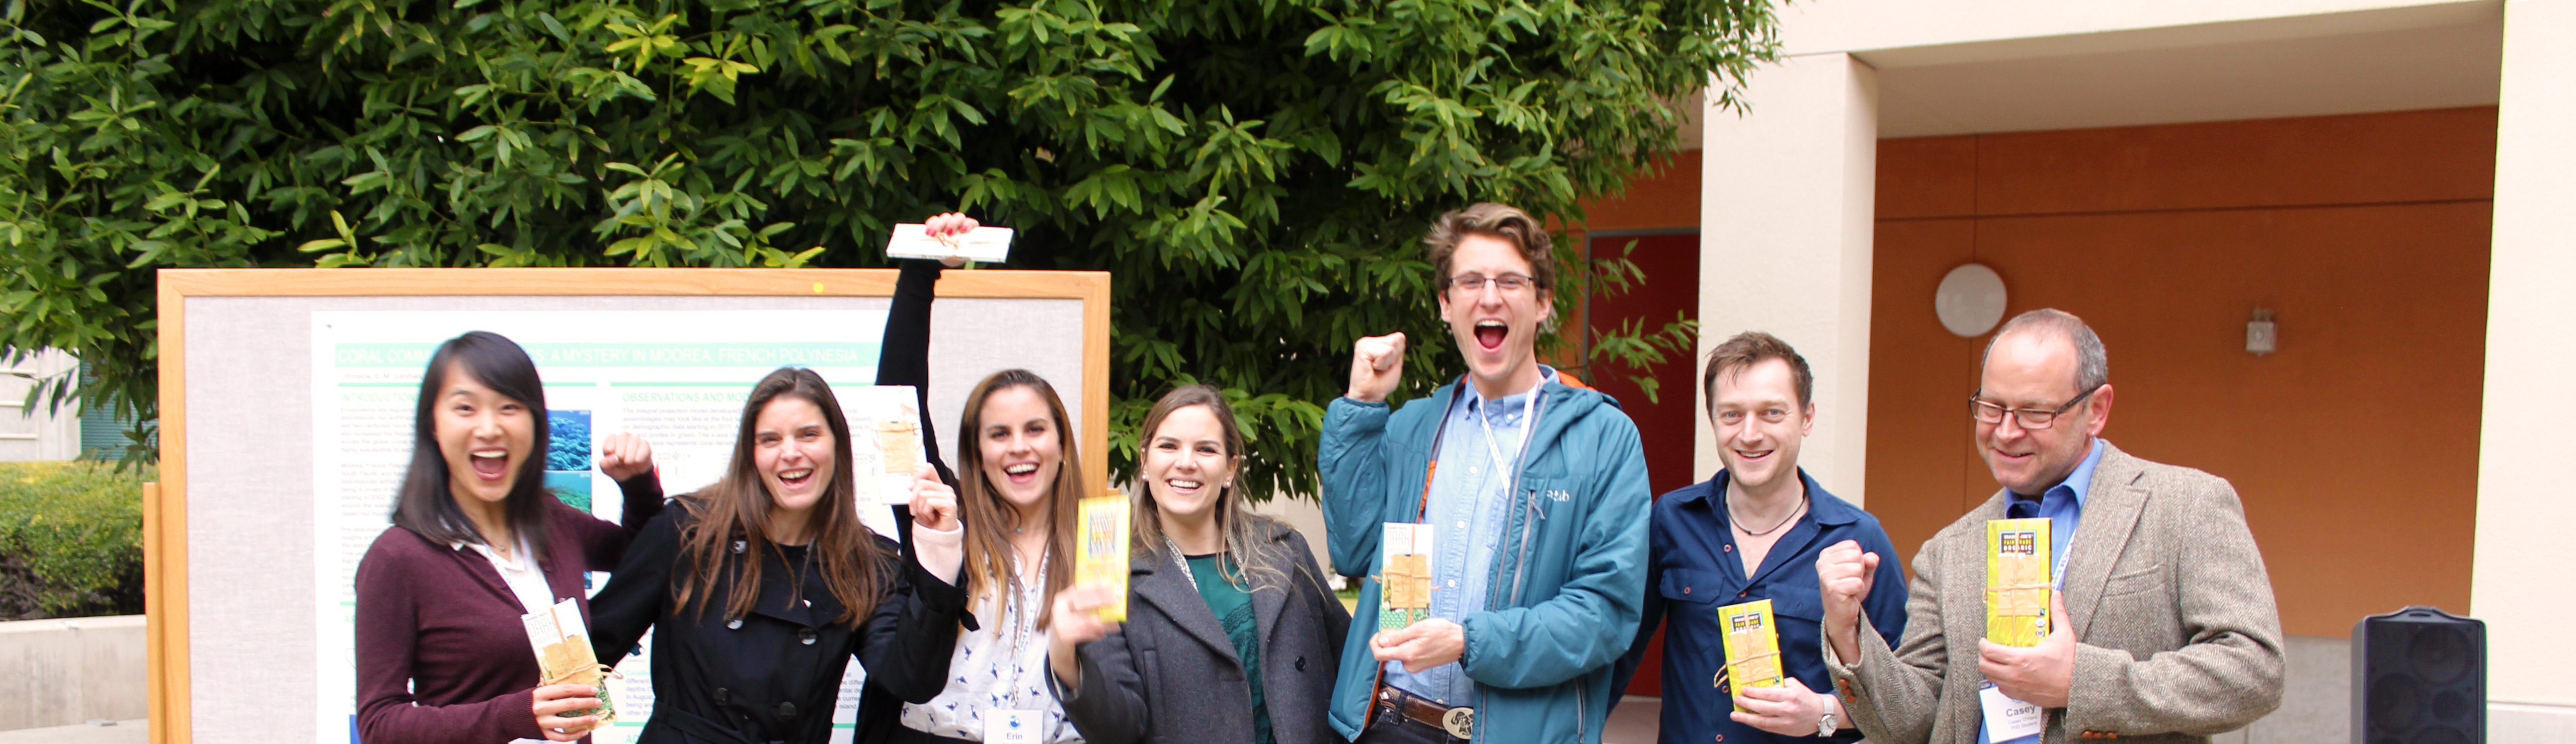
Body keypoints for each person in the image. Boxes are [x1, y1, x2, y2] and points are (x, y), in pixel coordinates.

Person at [1816, 309, 2285, 744]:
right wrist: (1848, 630)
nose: (2005, 431)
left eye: (2035, 412)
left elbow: (2254, 670)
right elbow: (1911, 721)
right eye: (1992, 407)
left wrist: (2080, 681)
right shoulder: (1949, 550)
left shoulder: (2185, 505)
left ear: (2096, 410)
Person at [1319, 202, 1653, 744]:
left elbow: (1604, 614)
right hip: (1390, 725)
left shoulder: (1603, 437)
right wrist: (1360, 406)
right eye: (1470, 281)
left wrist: (1467, 641)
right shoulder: (1414, 427)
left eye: (1511, 281)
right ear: (1447, 304)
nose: (1489, 296)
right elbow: (1355, 549)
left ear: (1543, 302)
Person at [586, 366, 968, 744]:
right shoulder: (688, 531)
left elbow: (912, 678)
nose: (791, 452)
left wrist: (939, 549)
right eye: (770, 439)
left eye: (808, 435)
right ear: (751, 454)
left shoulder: (867, 563)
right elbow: (595, 648)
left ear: (837, 444)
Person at [353, 331, 666, 744]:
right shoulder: (398, 558)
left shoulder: (553, 523)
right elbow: (379, 723)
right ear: (433, 423)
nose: (489, 427)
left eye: (509, 407)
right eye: (465, 408)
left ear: (535, 424)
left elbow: (642, 559)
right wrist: (515, 715)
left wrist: (639, 486)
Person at [1611, 331, 1909, 743]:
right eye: (1732, 414)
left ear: (1806, 418)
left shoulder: (1859, 538)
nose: (1750, 434)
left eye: (1772, 413)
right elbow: (1618, 646)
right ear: (1712, 418)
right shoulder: (1673, 519)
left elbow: (1908, 698)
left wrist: (1825, 712)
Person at [1046, 385, 1352, 744]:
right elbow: (1120, 729)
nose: (1186, 462)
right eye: (1169, 446)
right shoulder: (1115, 573)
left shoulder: (1285, 549)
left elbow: (1348, 664)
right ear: (1145, 462)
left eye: (1206, 449)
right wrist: (1064, 659)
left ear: (1229, 468)